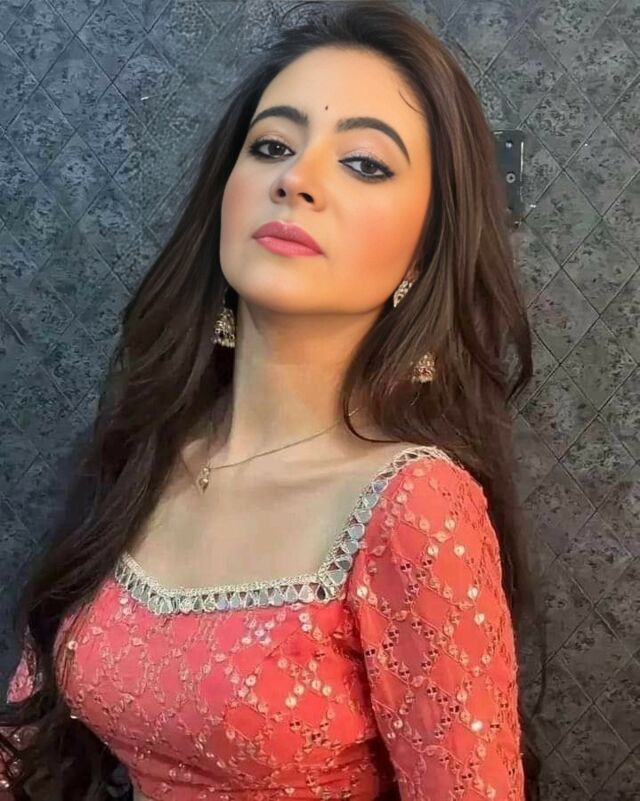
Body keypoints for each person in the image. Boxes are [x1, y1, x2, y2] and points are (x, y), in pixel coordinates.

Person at [0, 1, 544, 799]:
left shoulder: (415, 507)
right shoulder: (149, 449)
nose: (296, 179)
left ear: (424, 253)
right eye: (272, 146)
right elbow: (20, 741)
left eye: (365, 163)